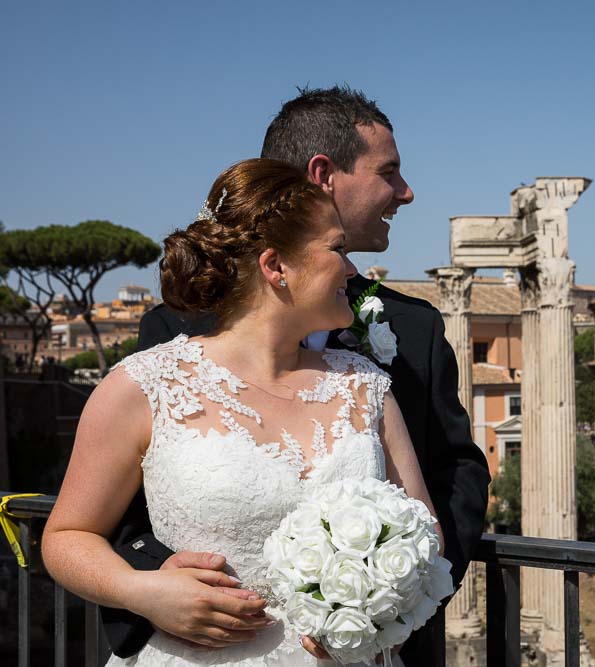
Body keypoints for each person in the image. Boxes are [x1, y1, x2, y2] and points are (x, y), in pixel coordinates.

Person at [101, 87, 491, 665]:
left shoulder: (414, 331)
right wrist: (155, 587)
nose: (406, 193)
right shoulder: (172, 335)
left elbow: (456, 471)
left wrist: (402, 597)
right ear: (323, 175)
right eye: (389, 173)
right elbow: (123, 501)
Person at [43, 159, 440, 664]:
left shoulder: (366, 386)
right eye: (337, 249)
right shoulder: (144, 387)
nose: (351, 268)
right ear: (276, 267)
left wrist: (386, 615)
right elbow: (66, 536)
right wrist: (141, 591)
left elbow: (424, 528)